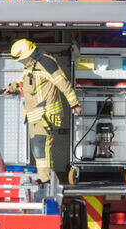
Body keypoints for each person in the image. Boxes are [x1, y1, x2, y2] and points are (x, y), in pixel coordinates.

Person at [7, 39, 80, 183]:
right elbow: (30, 85)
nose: (22, 62)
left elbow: (63, 83)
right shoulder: (31, 65)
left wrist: (74, 104)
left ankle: (46, 181)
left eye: (22, 59)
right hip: (35, 116)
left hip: (45, 115)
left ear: (29, 54)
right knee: (39, 150)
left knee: (41, 147)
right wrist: (13, 87)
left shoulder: (46, 63)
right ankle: (48, 178)